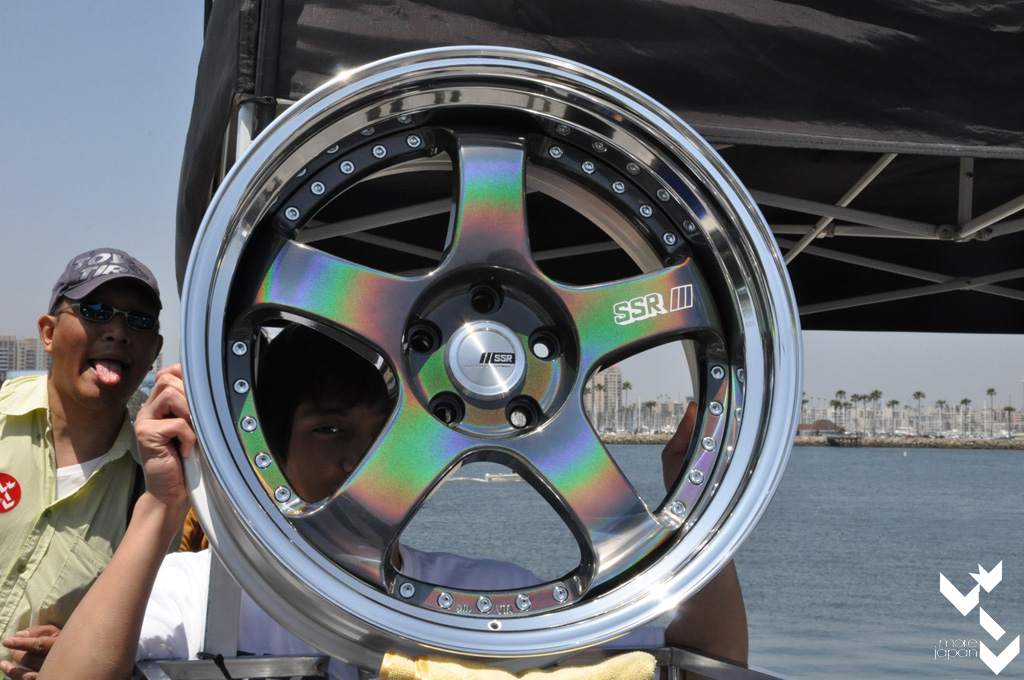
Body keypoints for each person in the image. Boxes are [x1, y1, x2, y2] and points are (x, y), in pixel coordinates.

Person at [39, 326, 746, 680]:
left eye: (383, 438)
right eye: (329, 431)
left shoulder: (478, 598)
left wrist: (693, 493)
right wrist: (162, 503)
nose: (361, 463)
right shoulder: (191, 592)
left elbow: (703, 661)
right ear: (264, 452)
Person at [0, 248, 164, 680]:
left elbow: (160, 621)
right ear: (48, 332)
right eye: (95, 311)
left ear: (155, 351)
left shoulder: (157, 489)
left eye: (139, 320)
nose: (118, 332)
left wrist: (82, 650)